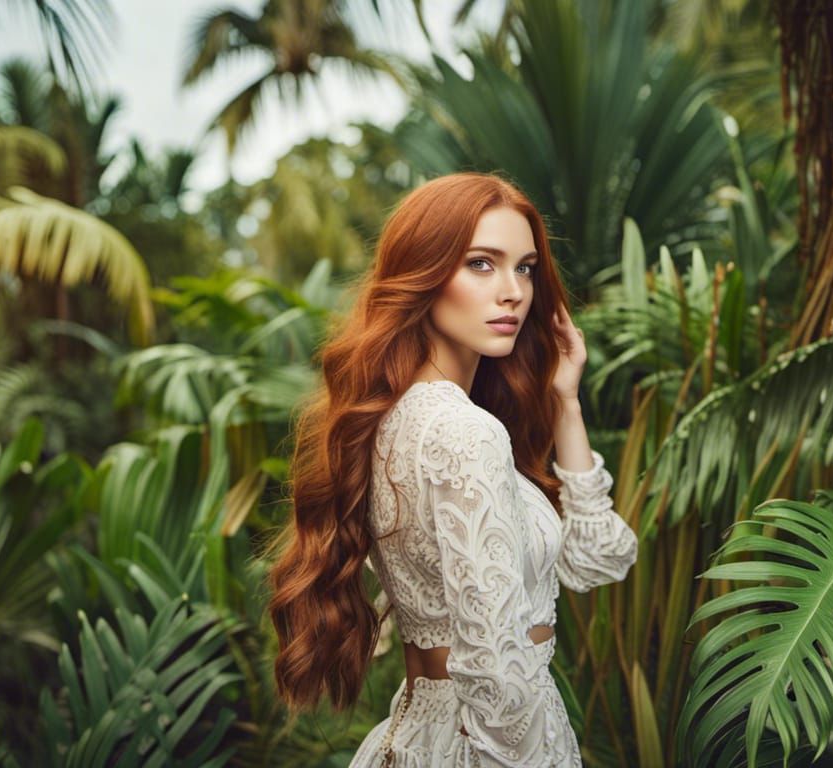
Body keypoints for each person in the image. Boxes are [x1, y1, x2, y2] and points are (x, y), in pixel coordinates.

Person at [267, 172, 639, 766]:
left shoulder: (397, 420)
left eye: (525, 268)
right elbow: (496, 678)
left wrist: (567, 401)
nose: (514, 292)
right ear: (424, 273)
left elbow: (595, 560)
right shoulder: (466, 434)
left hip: (426, 734)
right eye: (481, 264)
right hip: (491, 748)